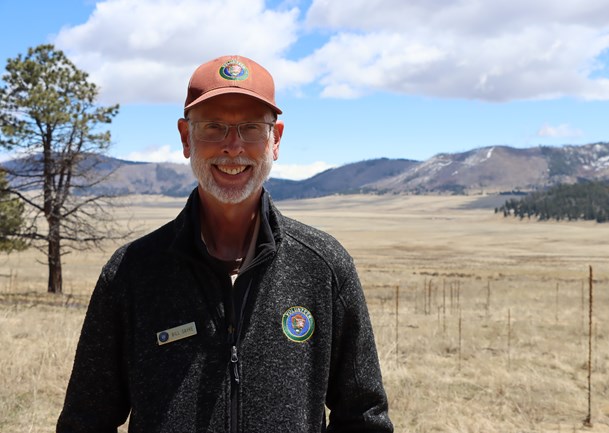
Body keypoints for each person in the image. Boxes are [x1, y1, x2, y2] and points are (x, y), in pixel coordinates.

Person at [57, 55, 393, 433]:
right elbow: (85, 420)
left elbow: (364, 418)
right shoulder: (132, 272)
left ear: (275, 140)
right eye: (214, 127)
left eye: (250, 128)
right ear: (186, 138)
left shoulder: (323, 267)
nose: (233, 147)